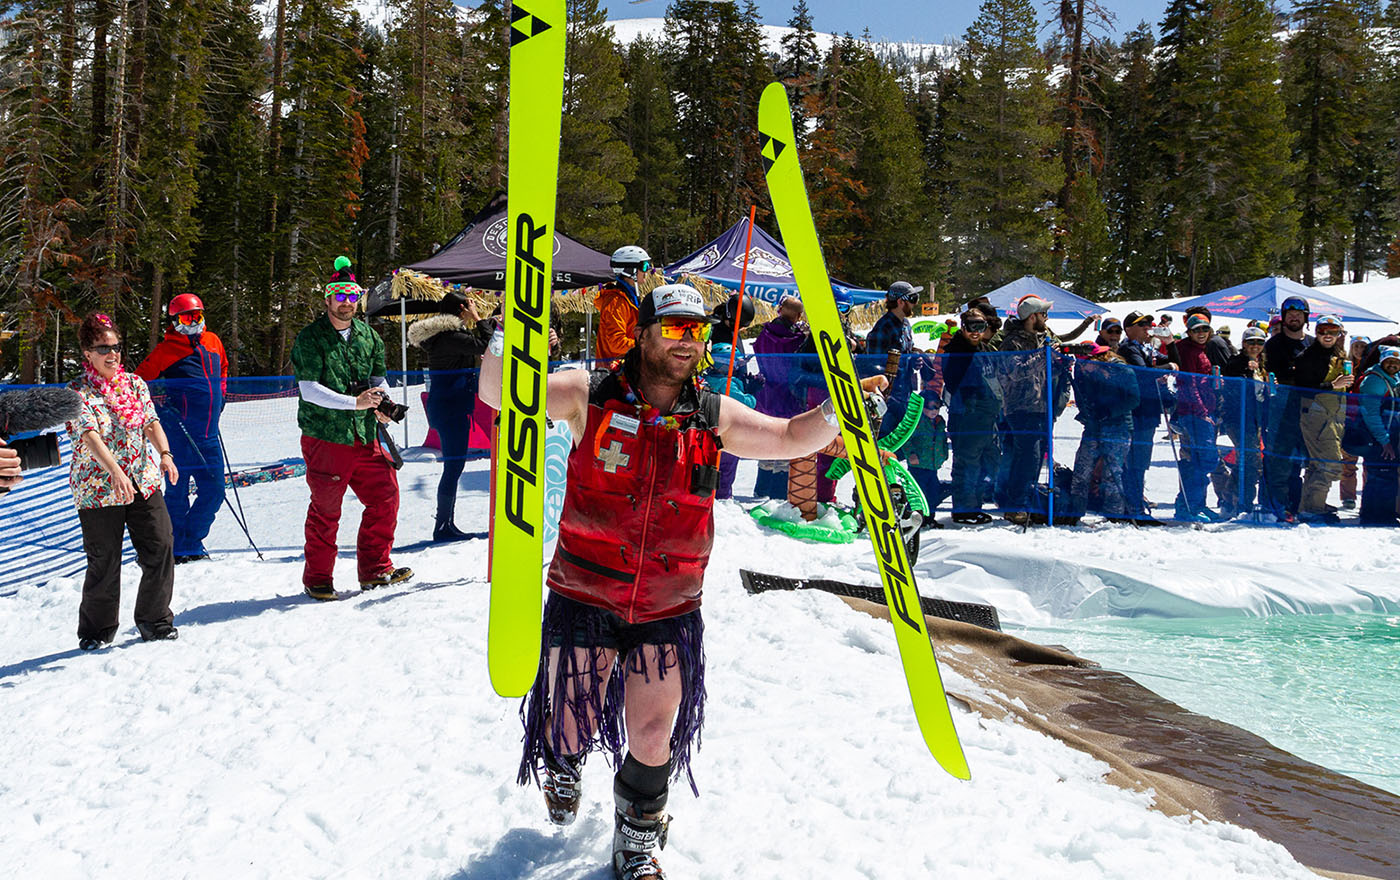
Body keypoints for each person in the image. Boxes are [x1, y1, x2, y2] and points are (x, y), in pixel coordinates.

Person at [478, 284, 850, 880]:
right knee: (569, 720)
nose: (689, 341)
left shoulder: (712, 414)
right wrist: (506, 329)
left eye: (697, 330)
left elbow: (786, 438)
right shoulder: (586, 395)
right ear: (644, 333)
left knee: (654, 732)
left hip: (668, 604)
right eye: (675, 328)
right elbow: (499, 392)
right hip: (586, 592)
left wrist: (840, 408)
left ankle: (636, 844)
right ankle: (564, 762)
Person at [291, 256, 412, 600]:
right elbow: (309, 388)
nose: (346, 302)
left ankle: (375, 570)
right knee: (327, 509)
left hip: (365, 435)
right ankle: (318, 578)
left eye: (352, 295)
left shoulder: (368, 337)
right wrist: (354, 403)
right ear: (328, 299)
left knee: (385, 497)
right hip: (326, 438)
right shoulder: (311, 338)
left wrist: (383, 405)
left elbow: (378, 379)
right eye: (339, 295)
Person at [66, 313, 180, 649]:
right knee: (104, 559)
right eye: (103, 348)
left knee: (161, 546)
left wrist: (165, 454)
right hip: (98, 488)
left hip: (142, 480)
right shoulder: (77, 391)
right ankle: (96, 631)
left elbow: (151, 422)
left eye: (116, 347)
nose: (112, 354)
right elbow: (88, 435)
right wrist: (115, 472)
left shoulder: (134, 384)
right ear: (87, 353)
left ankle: (155, 620)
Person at [134, 293, 228, 564]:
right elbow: (140, 382)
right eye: (187, 317)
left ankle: (189, 540)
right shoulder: (167, 349)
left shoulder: (213, 341)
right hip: (179, 434)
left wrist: (221, 396)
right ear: (175, 321)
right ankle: (178, 548)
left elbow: (222, 369)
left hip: (209, 433)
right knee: (177, 493)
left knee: (214, 492)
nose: (193, 322)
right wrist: (161, 409)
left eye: (197, 316)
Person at [409, 290, 495, 541]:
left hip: (449, 406)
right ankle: (443, 526)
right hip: (450, 407)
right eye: (469, 307)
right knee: (453, 466)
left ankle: (446, 523)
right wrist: (479, 318)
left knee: (454, 465)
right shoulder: (451, 336)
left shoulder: (446, 335)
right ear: (460, 310)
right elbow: (489, 346)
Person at [996, 295, 1069, 524]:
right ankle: (1016, 504)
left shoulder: (1042, 338)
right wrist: (1043, 355)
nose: (1046, 319)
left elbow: (1043, 373)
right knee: (1027, 457)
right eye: (1043, 314)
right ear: (1033, 316)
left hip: (1042, 406)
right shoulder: (1013, 341)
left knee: (1036, 459)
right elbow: (1015, 372)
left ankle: (1026, 502)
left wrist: (1059, 362)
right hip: (1020, 407)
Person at [942, 306, 1002, 524]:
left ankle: (975, 504)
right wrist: (973, 401)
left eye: (980, 327)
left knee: (988, 461)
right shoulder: (956, 351)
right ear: (963, 328)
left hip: (986, 418)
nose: (975, 332)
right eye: (970, 327)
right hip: (967, 415)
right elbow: (952, 381)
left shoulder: (983, 350)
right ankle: (964, 509)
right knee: (968, 463)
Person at [1065, 345, 1138, 523]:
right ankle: (1074, 513)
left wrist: (1108, 411)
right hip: (1093, 427)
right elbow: (1082, 396)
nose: (1081, 367)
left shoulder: (1121, 370)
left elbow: (1133, 398)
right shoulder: (1083, 373)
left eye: (1085, 363)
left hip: (1118, 427)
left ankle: (1114, 516)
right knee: (1082, 470)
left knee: (1112, 474)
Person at [1294, 315, 1352, 523]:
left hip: (1334, 414)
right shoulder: (1308, 356)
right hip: (1317, 414)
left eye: (1333, 331)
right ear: (1316, 333)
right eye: (1323, 331)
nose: (1328, 336)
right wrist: (1332, 385)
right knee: (1331, 464)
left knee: (1318, 464)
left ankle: (1310, 504)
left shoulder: (1337, 354)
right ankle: (1313, 508)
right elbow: (1302, 388)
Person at [1117, 311, 1173, 525]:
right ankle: (1133, 507)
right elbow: (1142, 372)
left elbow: (1173, 361)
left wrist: (1170, 344)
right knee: (1135, 462)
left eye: (1149, 324)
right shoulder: (1129, 348)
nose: (1147, 328)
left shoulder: (1146, 348)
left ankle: (1136, 504)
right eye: (1142, 325)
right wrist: (1166, 368)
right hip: (1137, 412)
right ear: (1130, 329)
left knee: (1141, 461)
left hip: (1149, 412)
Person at [751, 294, 810, 499]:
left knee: (767, 441)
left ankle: (762, 488)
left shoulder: (765, 333)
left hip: (767, 390)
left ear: (780, 309)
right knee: (785, 442)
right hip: (789, 393)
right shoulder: (798, 338)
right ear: (798, 315)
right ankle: (778, 492)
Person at [1261, 296, 1314, 522]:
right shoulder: (1274, 344)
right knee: (1280, 460)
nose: (1294, 318)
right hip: (1281, 411)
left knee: (1304, 461)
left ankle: (1299, 504)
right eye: (1290, 314)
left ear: (1305, 317)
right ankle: (1277, 506)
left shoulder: (1313, 343)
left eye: (1299, 315)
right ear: (1283, 318)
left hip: (1309, 411)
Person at [1167, 314, 1222, 522]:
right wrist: (1202, 412)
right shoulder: (1188, 350)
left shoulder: (1201, 350)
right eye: (1197, 330)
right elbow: (1188, 383)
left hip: (1204, 409)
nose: (1201, 334)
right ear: (1189, 332)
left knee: (1200, 459)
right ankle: (1189, 505)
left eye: (1204, 330)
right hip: (1194, 412)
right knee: (1204, 459)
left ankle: (1196, 503)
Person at [1217, 326, 1270, 518]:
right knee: (1251, 460)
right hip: (1238, 417)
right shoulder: (1237, 361)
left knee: (1249, 460)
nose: (1255, 346)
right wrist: (1246, 371)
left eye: (1259, 342)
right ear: (1244, 344)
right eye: (1251, 342)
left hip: (1256, 418)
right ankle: (1243, 502)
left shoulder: (1263, 364)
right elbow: (1231, 379)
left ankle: (1229, 499)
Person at [1355, 346, 1400, 525]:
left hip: (1389, 435)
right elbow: (1370, 413)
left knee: (1387, 475)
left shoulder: (1393, 379)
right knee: (1379, 475)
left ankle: (1384, 513)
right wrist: (1384, 441)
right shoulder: (1375, 381)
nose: (1393, 365)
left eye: (1397, 362)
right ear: (1381, 361)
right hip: (1376, 437)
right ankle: (1373, 515)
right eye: (1389, 361)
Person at [595, 246, 654, 361]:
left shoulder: (629, 298)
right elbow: (616, 343)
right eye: (644, 266)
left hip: (629, 365)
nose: (647, 271)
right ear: (630, 270)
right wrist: (646, 345)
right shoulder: (615, 302)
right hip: (615, 370)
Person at [1339, 334, 1372, 510]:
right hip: (1348, 418)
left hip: (1367, 419)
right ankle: (1348, 497)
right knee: (1348, 462)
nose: (1359, 350)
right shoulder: (1346, 366)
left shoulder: (1372, 368)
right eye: (1356, 346)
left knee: (1369, 461)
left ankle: (1368, 494)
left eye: (1363, 347)